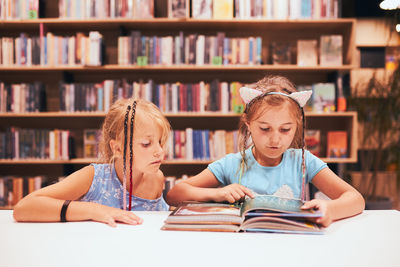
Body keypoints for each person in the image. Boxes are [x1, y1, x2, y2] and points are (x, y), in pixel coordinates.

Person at [166, 75, 365, 227]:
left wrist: (329, 209)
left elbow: (355, 199)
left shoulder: (304, 161)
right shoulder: (232, 163)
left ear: (297, 125)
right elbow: (175, 194)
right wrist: (218, 194)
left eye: (285, 129)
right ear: (248, 124)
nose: (276, 139)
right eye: (265, 128)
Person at [13, 98, 171, 227]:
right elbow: (23, 208)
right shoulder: (94, 178)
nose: (159, 151)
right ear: (117, 148)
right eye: (146, 144)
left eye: (159, 142)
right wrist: (93, 210)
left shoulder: (156, 178)